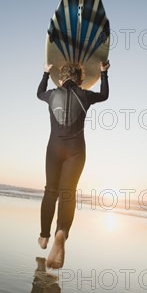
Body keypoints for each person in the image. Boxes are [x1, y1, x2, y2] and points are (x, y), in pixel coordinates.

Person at [37, 60, 110, 268]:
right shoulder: (85, 96)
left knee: (51, 192)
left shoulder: (51, 95)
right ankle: (62, 232)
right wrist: (104, 73)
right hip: (76, 151)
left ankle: (44, 236)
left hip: (54, 148)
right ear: (81, 80)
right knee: (68, 193)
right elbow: (104, 95)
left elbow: (38, 92)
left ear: (60, 79)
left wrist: (44, 73)